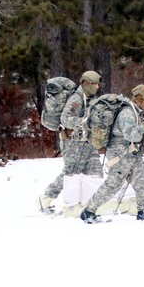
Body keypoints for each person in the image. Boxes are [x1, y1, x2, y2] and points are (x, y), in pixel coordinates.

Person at [80, 84, 144, 223]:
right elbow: (131, 135)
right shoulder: (128, 113)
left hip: (131, 154)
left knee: (142, 181)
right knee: (112, 185)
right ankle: (88, 211)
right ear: (140, 99)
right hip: (120, 155)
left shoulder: (134, 111)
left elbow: (133, 128)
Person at [38, 71, 104, 214]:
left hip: (87, 142)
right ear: (86, 83)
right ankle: (46, 198)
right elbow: (66, 119)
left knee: (95, 173)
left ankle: (89, 205)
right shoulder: (77, 99)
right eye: (95, 84)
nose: (97, 87)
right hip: (73, 144)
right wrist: (86, 122)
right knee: (70, 173)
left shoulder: (89, 98)